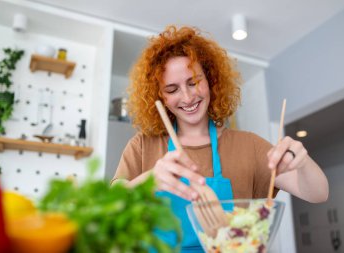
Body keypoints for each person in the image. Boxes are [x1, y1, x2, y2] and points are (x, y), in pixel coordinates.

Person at [112, 25, 329, 252]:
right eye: (172, 89)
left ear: (210, 80)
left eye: (193, 82)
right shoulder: (143, 145)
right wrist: (147, 182)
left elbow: (318, 193)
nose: (187, 97)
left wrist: (302, 163)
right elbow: (110, 204)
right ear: (161, 97)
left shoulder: (249, 146)